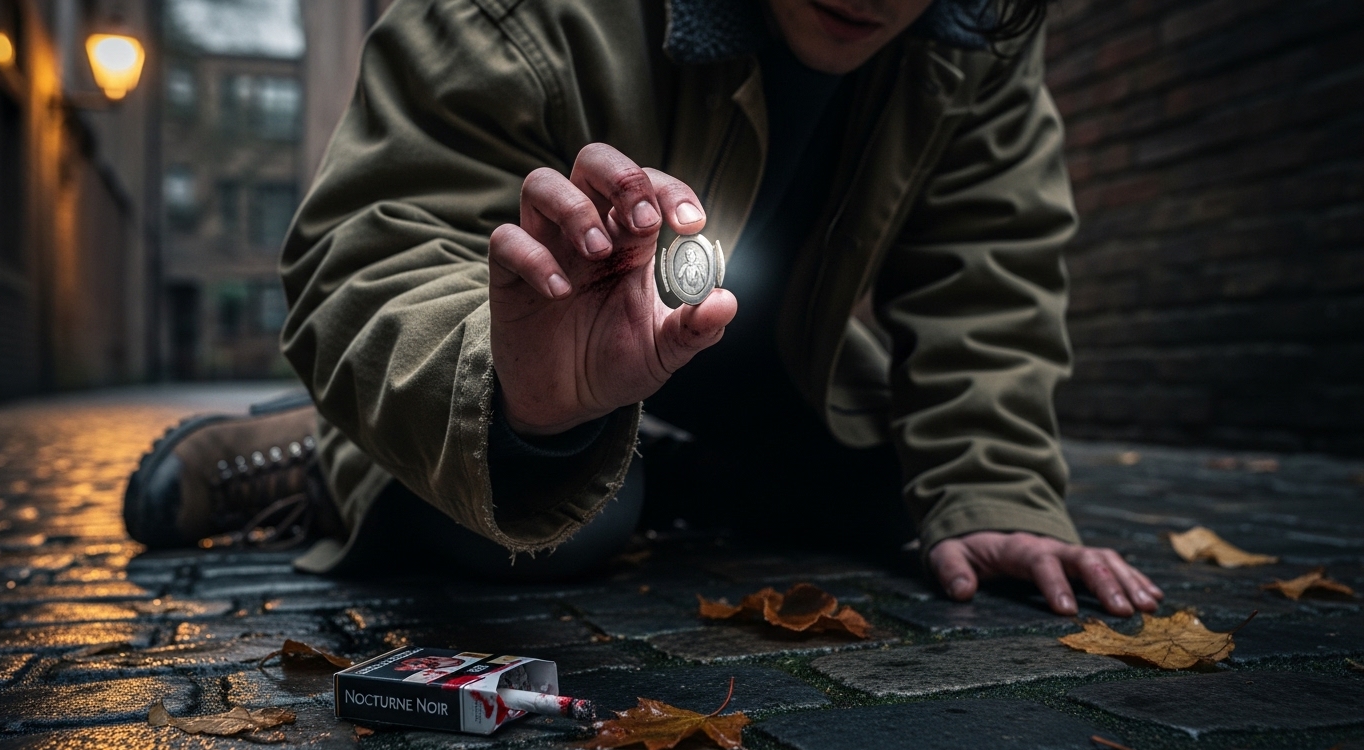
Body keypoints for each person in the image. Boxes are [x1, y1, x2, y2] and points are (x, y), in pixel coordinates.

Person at [123, 0, 1164, 617]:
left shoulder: (977, 21)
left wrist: (995, 489)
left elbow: (987, 259)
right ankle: (331, 455)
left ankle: (659, 464)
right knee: (549, 530)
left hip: (782, 366)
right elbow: (374, 241)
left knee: (919, 510)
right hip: (522, 333)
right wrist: (514, 398)